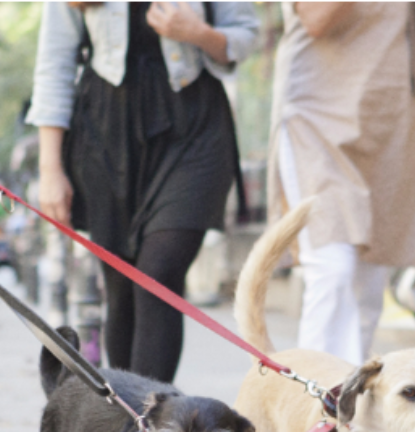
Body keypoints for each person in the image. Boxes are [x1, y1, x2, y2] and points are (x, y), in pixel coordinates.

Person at [27, 2, 259, 383]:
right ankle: (127, 427)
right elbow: (54, 60)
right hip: (105, 133)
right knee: (120, 286)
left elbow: (246, 33)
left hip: (193, 127)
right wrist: (50, 169)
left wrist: (198, 33)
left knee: (159, 272)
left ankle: (148, 426)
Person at [268, 2, 415, 365]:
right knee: (332, 267)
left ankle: (347, 407)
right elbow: (317, 18)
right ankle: (312, 401)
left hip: (392, 115)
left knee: (369, 286)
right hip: (317, 114)